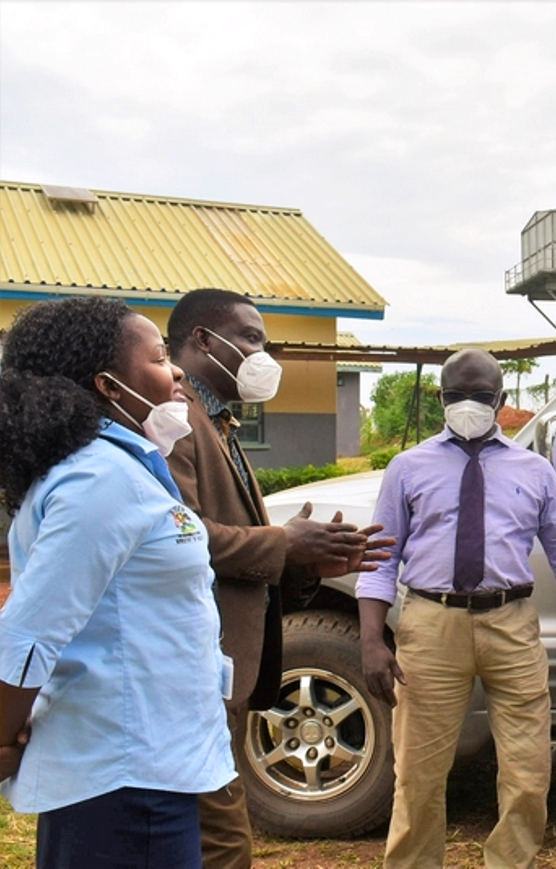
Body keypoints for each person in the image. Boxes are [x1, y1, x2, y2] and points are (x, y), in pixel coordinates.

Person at [0, 297, 235, 867]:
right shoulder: (101, 480)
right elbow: (30, 631)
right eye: (158, 357)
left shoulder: (124, 468)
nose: (176, 370)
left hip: (146, 766)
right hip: (124, 782)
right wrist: (2, 738)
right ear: (108, 385)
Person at [166, 288, 389, 868]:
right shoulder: (175, 421)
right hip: (190, 659)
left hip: (226, 665)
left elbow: (240, 551)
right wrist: (283, 544)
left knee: (215, 833)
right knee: (222, 842)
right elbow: (180, 537)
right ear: (203, 341)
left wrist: (303, 566)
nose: (264, 355)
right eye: (252, 339)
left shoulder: (219, 421)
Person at [358, 348, 556, 869]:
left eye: (480, 395)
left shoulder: (534, 471)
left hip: (511, 625)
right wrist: (371, 640)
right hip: (430, 624)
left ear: (502, 400)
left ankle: (510, 863)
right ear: (440, 398)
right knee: (418, 774)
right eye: (456, 395)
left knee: (527, 771)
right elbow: (380, 558)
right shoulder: (408, 468)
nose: (467, 404)